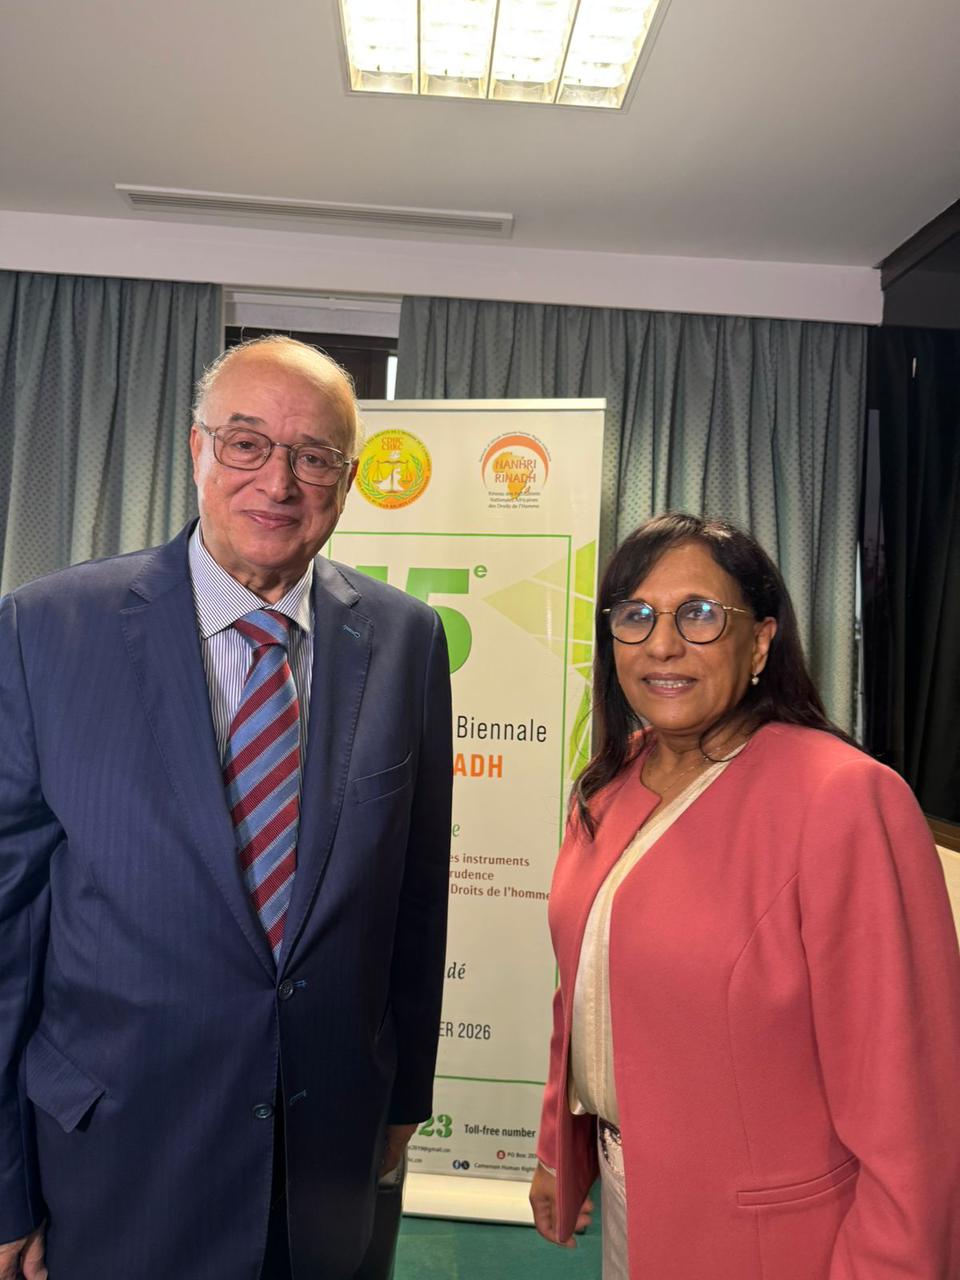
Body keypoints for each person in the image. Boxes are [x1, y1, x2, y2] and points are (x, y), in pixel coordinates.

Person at [0, 335, 453, 1280]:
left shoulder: (406, 639)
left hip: (325, 1157)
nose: (277, 482)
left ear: (349, 481)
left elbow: (414, 894)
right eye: (247, 443)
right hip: (113, 1156)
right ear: (197, 449)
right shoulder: (47, 630)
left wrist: (404, 1097)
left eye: (314, 456)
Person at [530, 512, 960, 1279]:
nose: (663, 644)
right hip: (637, 1199)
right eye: (636, 616)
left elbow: (911, 1096)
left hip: (774, 1238)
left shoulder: (843, 800)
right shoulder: (610, 783)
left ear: (760, 641)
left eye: (699, 615)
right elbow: (584, 981)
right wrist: (556, 1149)